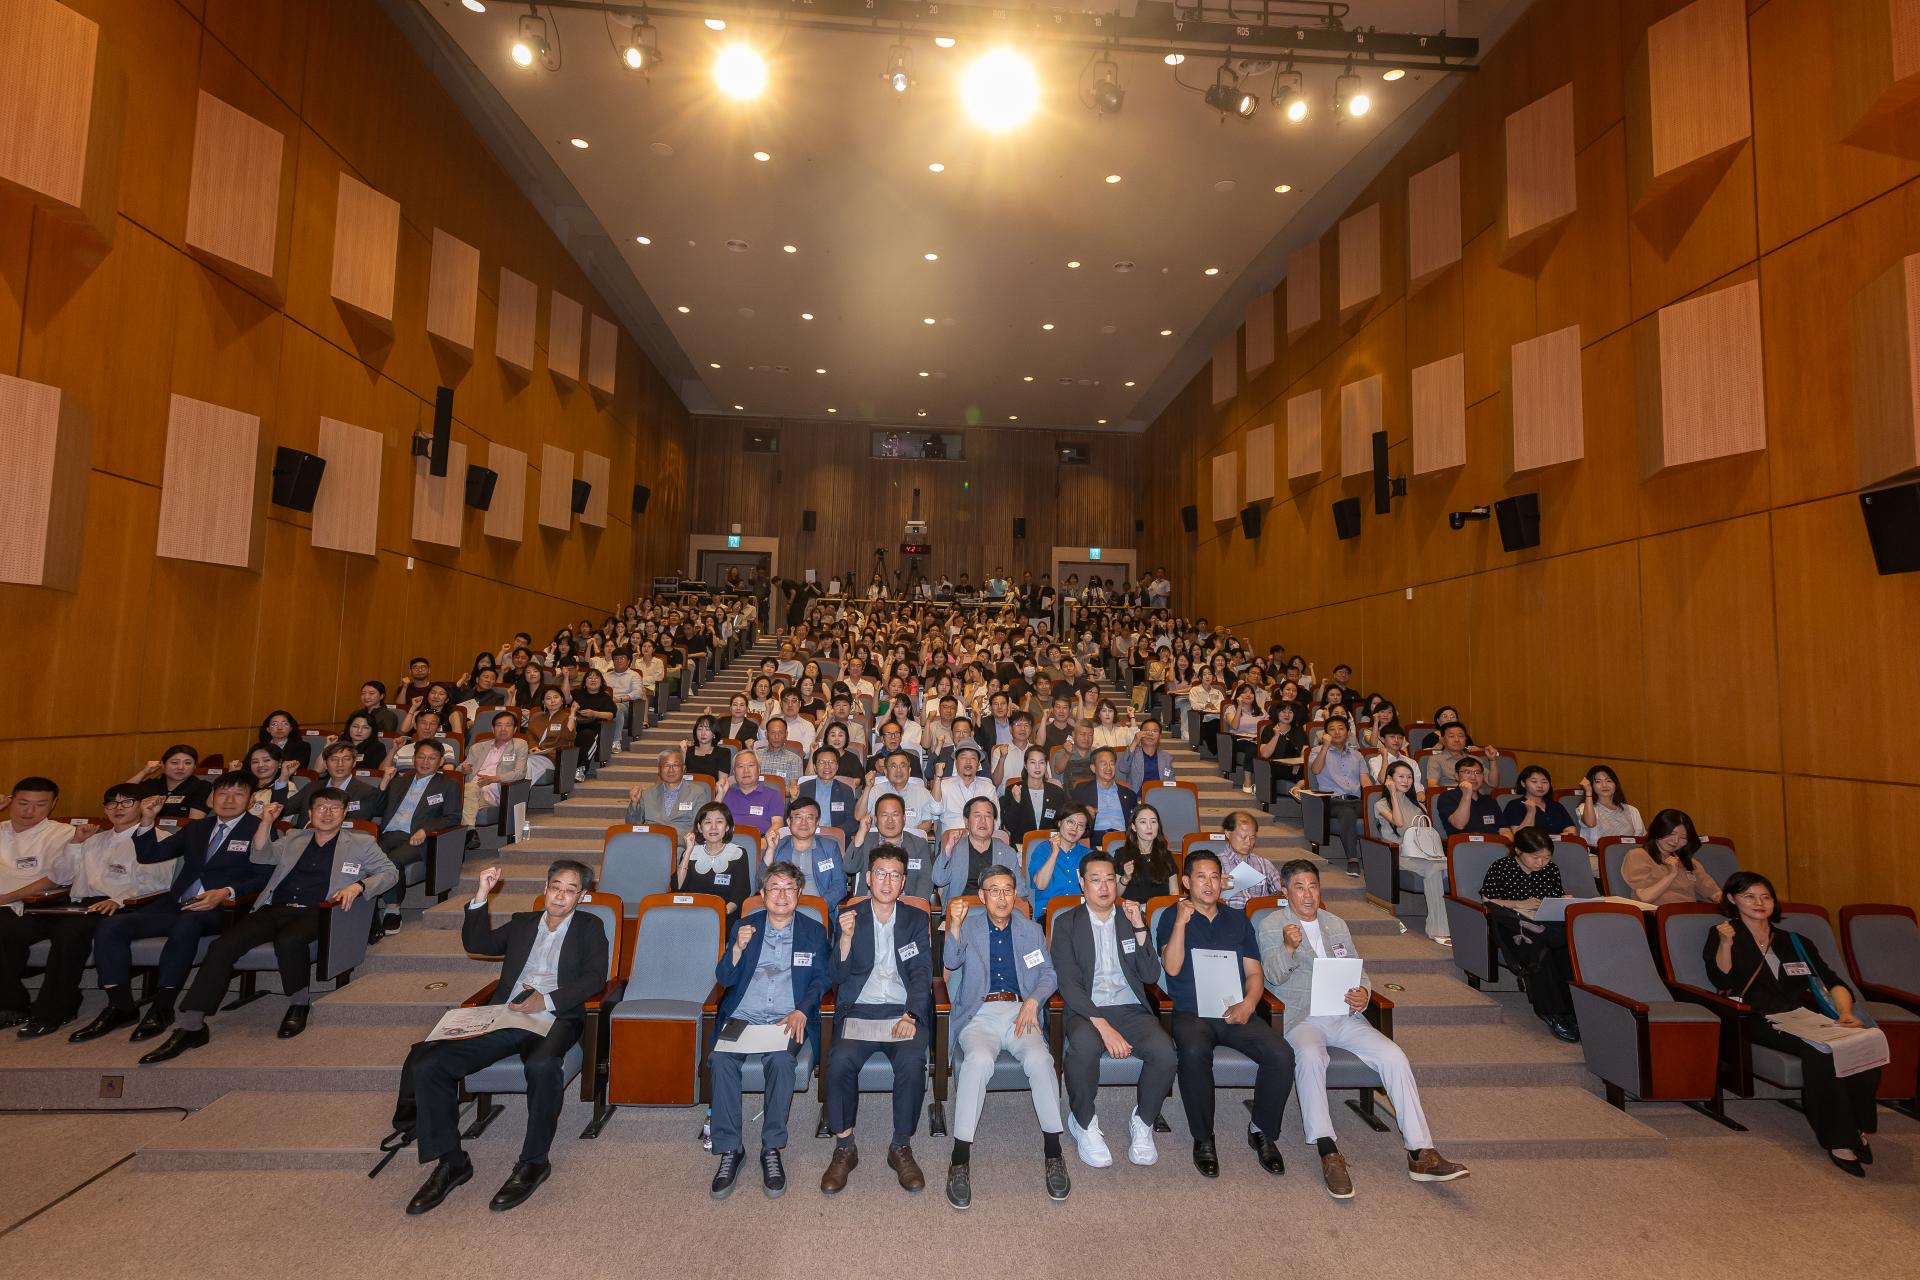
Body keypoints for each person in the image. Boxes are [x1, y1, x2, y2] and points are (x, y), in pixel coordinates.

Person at [393, 859, 609, 1215]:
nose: (560, 896)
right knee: (430, 1063)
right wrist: (482, 894)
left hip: (554, 1018)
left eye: (570, 890)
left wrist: (546, 1000)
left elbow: (594, 978)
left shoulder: (590, 927)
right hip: (505, 1015)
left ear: (581, 896)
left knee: (542, 1066)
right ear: (545, 889)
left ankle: (534, 1162)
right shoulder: (523, 923)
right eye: (556, 887)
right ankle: (452, 1161)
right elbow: (478, 943)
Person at [1258, 859, 1468, 1198]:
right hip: (1302, 1018)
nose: (1308, 894)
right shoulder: (1272, 925)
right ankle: (1328, 1150)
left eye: (1313, 886)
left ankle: (1421, 1151)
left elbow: (1359, 971)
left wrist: (1364, 994)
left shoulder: (1336, 924)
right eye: (1299, 887)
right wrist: (1288, 948)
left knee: (1394, 1056)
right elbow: (1272, 976)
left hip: (1344, 1015)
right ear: (1285, 891)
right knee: (1310, 1056)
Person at [137, 789, 397, 1060]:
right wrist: (266, 822)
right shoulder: (294, 837)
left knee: (289, 940)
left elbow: (390, 873)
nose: (327, 813)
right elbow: (261, 856)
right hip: (275, 908)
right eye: (321, 807)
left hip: (319, 911)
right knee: (222, 946)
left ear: (344, 814)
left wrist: (359, 886)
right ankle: (192, 1025)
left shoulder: (360, 842)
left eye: (335, 808)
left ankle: (298, 1003)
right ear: (310, 813)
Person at [1706, 871, 1880, 1175]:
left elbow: (1833, 982)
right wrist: (1725, 943)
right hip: (1756, 1016)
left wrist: (1845, 1012)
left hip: (1799, 1015)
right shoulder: (1724, 934)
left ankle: (1858, 1125)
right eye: (1749, 896)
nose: (1759, 903)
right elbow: (1721, 979)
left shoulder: (1794, 941)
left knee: (1863, 1043)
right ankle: (1839, 1139)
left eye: (1766, 897)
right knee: (1820, 1051)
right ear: (1732, 899)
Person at [75, 776, 270, 1042]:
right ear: (212, 798)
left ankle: (163, 1005)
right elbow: (150, 855)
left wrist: (226, 892)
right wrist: (147, 820)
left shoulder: (259, 828)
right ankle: (120, 1005)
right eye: (223, 793)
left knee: (186, 924)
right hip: (178, 903)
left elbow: (264, 876)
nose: (229, 800)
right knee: (111, 925)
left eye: (238, 794)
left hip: (224, 909)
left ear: (250, 800)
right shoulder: (197, 828)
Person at [1156, 846, 1293, 1179]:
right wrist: (1181, 923)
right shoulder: (1171, 916)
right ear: (1186, 882)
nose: (1209, 884)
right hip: (1191, 1012)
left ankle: (1262, 1130)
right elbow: (1171, 968)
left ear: (1222, 882)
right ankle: (1204, 1137)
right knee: (1193, 1051)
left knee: (1281, 1053)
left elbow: (1255, 973)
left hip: (1235, 1010)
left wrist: (1249, 1004)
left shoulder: (1237, 920)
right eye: (1201, 877)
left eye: (1215, 877)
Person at [1, 784, 173, 1037]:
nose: (118, 808)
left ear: (142, 806)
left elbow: (157, 883)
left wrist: (119, 900)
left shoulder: (159, 838)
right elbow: (62, 876)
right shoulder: (95, 839)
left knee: (69, 933)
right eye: (111, 803)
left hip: (123, 906)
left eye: (126, 802)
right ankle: (11, 1004)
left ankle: (53, 1011)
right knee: (9, 928)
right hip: (78, 904)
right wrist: (75, 844)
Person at [942, 868, 1069, 1209]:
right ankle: (959, 1157)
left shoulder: (1031, 930)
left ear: (1016, 895)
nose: (1001, 897)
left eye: (1008, 890)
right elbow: (950, 961)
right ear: (982, 896)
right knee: (978, 1061)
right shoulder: (969, 926)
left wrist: (1033, 1001)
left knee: (1040, 1060)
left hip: (1019, 1011)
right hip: (979, 1014)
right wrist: (953, 926)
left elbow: (1049, 974)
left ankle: (1054, 1151)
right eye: (994, 890)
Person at [708, 861, 831, 1200]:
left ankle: (771, 1147)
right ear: (762, 894)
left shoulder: (813, 931)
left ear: (799, 894)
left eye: (789, 888)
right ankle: (730, 1148)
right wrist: (737, 948)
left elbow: (823, 977)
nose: (781, 895)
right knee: (720, 1060)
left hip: (786, 1018)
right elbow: (724, 978)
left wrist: (802, 1010)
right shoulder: (745, 926)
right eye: (774, 888)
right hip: (742, 1016)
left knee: (780, 1061)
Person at [1052, 853, 1176, 1170]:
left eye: (1110, 879)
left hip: (1130, 1007)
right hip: (1087, 1010)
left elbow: (1150, 974)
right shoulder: (1066, 923)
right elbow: (1068, 984)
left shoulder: (1128, 918)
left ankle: (1143, 1121)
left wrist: (1140, 927)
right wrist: (1104, 1027)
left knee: (1165, 1051)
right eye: (1096, 880)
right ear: (1082, 883)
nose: (1105, 887)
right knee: (1083, 1048)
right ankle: (1083, 1121)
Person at [820, 847, 933, 1194]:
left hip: (901, 1011)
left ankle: (901, 1145)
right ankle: (845, 1146)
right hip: (861, 1010)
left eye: (895, 874)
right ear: (868, 879)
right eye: (880, 873)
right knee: (839, 1061)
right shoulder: (849, 916)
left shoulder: (915, 919)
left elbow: (921, 973)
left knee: (912, 1062)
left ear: (903, 882)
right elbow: (836, 977)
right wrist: (845, 939)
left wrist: (911, 1014)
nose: (887, 881)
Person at [1479, 828, 1579, 1042]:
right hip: (1514, 925)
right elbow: (1487, 901)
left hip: (1545, 923)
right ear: (1518, 851)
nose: (1541, 863)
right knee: (1540, 950)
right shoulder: (1502, 867)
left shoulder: (1551, 869)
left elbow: (1555, 897)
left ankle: (1573, 1009)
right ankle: (1553, 1011)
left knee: (1569, 946)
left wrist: (1564, 900)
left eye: (1546, 857)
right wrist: (1520, 904)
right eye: (1535, 857)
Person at [1372, 761, 1450, 946]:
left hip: (1422, 855)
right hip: (1398, 854)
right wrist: (1393, 794)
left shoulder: (1418, 806)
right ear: (1389, 779)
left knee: (1451, 866)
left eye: (1409, 777)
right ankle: (1438, 929)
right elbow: (1399, 823)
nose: (1406, 781)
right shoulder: (1381, 804)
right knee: (1434, 869)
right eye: (1401, 776)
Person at [1621, 808, 1722, 905]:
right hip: (1658, 914)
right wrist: (1671, 874)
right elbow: (1645, 897)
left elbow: (1714, 893)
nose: (1676, 841)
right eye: (1671, 834)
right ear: (1658, 831)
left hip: (1689, 913)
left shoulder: (1687, 861)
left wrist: (1727, 900)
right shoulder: (1638, 855)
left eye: (1683, 837)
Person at [763, 797, 847, 912]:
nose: (803, 823)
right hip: (782, 909)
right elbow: (761, 882)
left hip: (818, 909)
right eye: (798, 817)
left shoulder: (830, 847)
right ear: (789, 822)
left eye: (809, 818)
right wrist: (770, 850)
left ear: (817, 822)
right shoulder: (777, 846)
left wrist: (822, 906)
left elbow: (839, 884)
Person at [847, 794, 936, 902]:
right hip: (868, 904)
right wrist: (861, 832)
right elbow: (849, 867)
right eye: (884, 815)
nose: (890, 820)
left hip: (906, 905)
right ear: (876, 819)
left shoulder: (918, 844)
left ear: (904, 818)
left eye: (895, 815)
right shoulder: (866, 840)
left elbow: (925, 880)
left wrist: (916, 906)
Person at [1306, 717, 1367, 874]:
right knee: (1347, 813)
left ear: (1348, 732)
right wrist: (1325, 746)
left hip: (1356, 801)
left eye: (1341, 728)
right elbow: (1315, 770)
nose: (1337, 732)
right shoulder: (1316, 751)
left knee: (1377, 809)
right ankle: (1352, 860)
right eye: (1332, 729)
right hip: (1332, 801)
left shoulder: (1357, 755)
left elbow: (1365, 781)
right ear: (1325, 734)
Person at [933, 796, 1022, 902]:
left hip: (995, 909)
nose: (983, 821)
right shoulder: (954, 847)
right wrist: (947, 851)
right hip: (960, 908)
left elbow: (1020, 890)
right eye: (977, 816)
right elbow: (939, 880)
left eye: (988, 816)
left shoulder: (1007, 852)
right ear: (966, 822)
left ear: (994, 822)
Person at [678, 801, 753, 916]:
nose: (713, 827)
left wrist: (722, 913)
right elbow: (678, 887)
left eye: (719, 822)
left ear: (727, 827)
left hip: (725, 914)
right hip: (691, 913)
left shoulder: (737, 853)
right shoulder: (690, 854)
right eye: (708, 822)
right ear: (700, 828)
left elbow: (740, 893)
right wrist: (688, 851)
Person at [285, 742, 382, 827]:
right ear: (325, 764)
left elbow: (355, 824)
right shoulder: (311, 787)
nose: (340, 764)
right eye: (334, 759)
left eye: (346, 759)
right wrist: (283, 778)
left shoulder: (366, 792)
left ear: (354, 763)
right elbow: (284, 809)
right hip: (303, 837)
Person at [462, 711, 529, 834]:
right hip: (472, 789)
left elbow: (520, 773)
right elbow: (461, 768)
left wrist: (494, 778)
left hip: (495, 791)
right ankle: (469, 833)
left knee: (467, 793)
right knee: (469, 790)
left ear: (515, 729)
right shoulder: (477, 747)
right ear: (492, 729)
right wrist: (464, 769)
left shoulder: (519, 745)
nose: (503, 729)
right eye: (499, 725)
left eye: (508, 725)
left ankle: (468, 832)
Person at [626, 749, 710, 840]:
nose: (671, 770)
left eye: (675, 765)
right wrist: (634, 803)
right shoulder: (647, 794)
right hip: (651, 842)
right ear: (659, 770)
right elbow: (632, 825)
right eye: (666, 765)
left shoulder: (697, 793)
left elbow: (699, 827)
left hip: (681, 844)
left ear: (683, 768)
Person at [1028, 807, 1093, 918]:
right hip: (1050, 913)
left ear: (1084, 831)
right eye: (1070, 822)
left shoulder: (1089, 855)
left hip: (1081, 913)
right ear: (1059, 823)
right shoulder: (1043, 849)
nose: (1075, 828)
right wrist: (1054, 853)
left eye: (1081, 825)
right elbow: (1040, 885)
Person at [1000, 746, 1071, 846]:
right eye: (1033, 762)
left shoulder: (1057, 792)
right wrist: (1016, 801)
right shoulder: (1013, 790)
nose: (1037, 767)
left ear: (1046, 765)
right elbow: (1010, 826)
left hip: (1050, 845)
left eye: (1041, 762)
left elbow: (1063, 822)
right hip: (1021, 845)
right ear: (1025, 765)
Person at [1114, 802, 1179, 906]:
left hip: (1158, 910)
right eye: (1143, 822)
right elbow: (1115, 895)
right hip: (1131, 910)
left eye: (1153, 822)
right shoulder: (1121, 854)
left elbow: (1174, 892)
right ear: (1134, 827)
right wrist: (1125, 878)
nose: (1149, 827)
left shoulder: (1166, 855)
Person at [1217, 810, 1283, 910]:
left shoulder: (1264, 864)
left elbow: (1282, 894)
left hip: (1260, 916)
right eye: (1243, 837)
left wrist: (1277, 895)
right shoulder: (1215, 864)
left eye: (1252, 838)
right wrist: (1216, 888)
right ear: (1228, 834)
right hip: (1230, 915)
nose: (1248, 842)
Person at [1071, 747, 1138, 842]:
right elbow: (1068, 816)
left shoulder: (1129, 794)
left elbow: (1135, 822)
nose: (1109, 768)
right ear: (1093, 768)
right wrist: (1083, 814)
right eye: (1104, 764)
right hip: (1094, 840)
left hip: (1123, 840)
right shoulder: (1081, 790)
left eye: (1112, 763)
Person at [127, 746, 211, 819]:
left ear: (195, 766)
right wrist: (144, 772)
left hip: (182, 831)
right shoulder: (153, 784)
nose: (180, 767)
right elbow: (123, 795)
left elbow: (195, 821)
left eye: (187, 763)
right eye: (175, 763)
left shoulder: (202, 786)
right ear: (163, 764)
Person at [797, 744, 858, 842]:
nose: (827, 766)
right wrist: (792, 800)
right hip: (807, 837)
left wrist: (833, 833)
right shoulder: (803, 788)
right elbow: (791, 819)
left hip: (835, 839)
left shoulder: (846, 790)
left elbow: (852, 822)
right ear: (815, 767)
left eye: (831, 762)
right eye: (822, 762)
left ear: (837, 766)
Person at [720, 750, 787, 839]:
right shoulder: (725, 794)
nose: (746, 771)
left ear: (759, 770)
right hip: (728, 841)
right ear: (734, 772)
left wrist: (765, 841)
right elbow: (712, 821)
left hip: (761, 841)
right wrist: (720, 795)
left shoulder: (773, 795)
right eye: (740, 766)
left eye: (750, 765)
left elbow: (777, 824)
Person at [1501, 765, 1576, 839]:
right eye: (1534, 781)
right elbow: (1520, 837)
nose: (1540, 785)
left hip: (1560, 845)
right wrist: (1530, 813)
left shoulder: (1556, 806)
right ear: (1523, 783)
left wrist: (1559, 837)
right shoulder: (1515, 805)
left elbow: (1572, 831)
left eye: (1544, 782)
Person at [1436, 756, 1503, 839]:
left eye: (1477, 773)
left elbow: (1504, 830)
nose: (1473, 777)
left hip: (1494, 843)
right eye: (1467, 772)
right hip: (1464, 845)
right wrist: (1467, 794)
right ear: (1456, 776)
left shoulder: (1490, 800)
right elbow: (1459, 824)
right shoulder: (1447, 797)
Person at [1575, 764, 1644, 841]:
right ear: (1592, 785)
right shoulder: (1585, 807)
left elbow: (1641, 839)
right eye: (1598, 782)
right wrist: (1588, 792)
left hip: (1630, 848)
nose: (1604, 785)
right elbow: (1590, 823)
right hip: (1598, 849)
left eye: (1609, 781)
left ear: (1615, 784)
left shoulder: (1632, 810)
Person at [1116, 717, 1176, 790]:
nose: (1150, 734)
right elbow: (1123, 768)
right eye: (1146, 731)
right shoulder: (1132, 753)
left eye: (1154, 731)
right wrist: (1135, 741)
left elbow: (1171, 782)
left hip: (1160, 795)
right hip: (1136, 795)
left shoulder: (1167, 757)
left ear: (1160, 736)